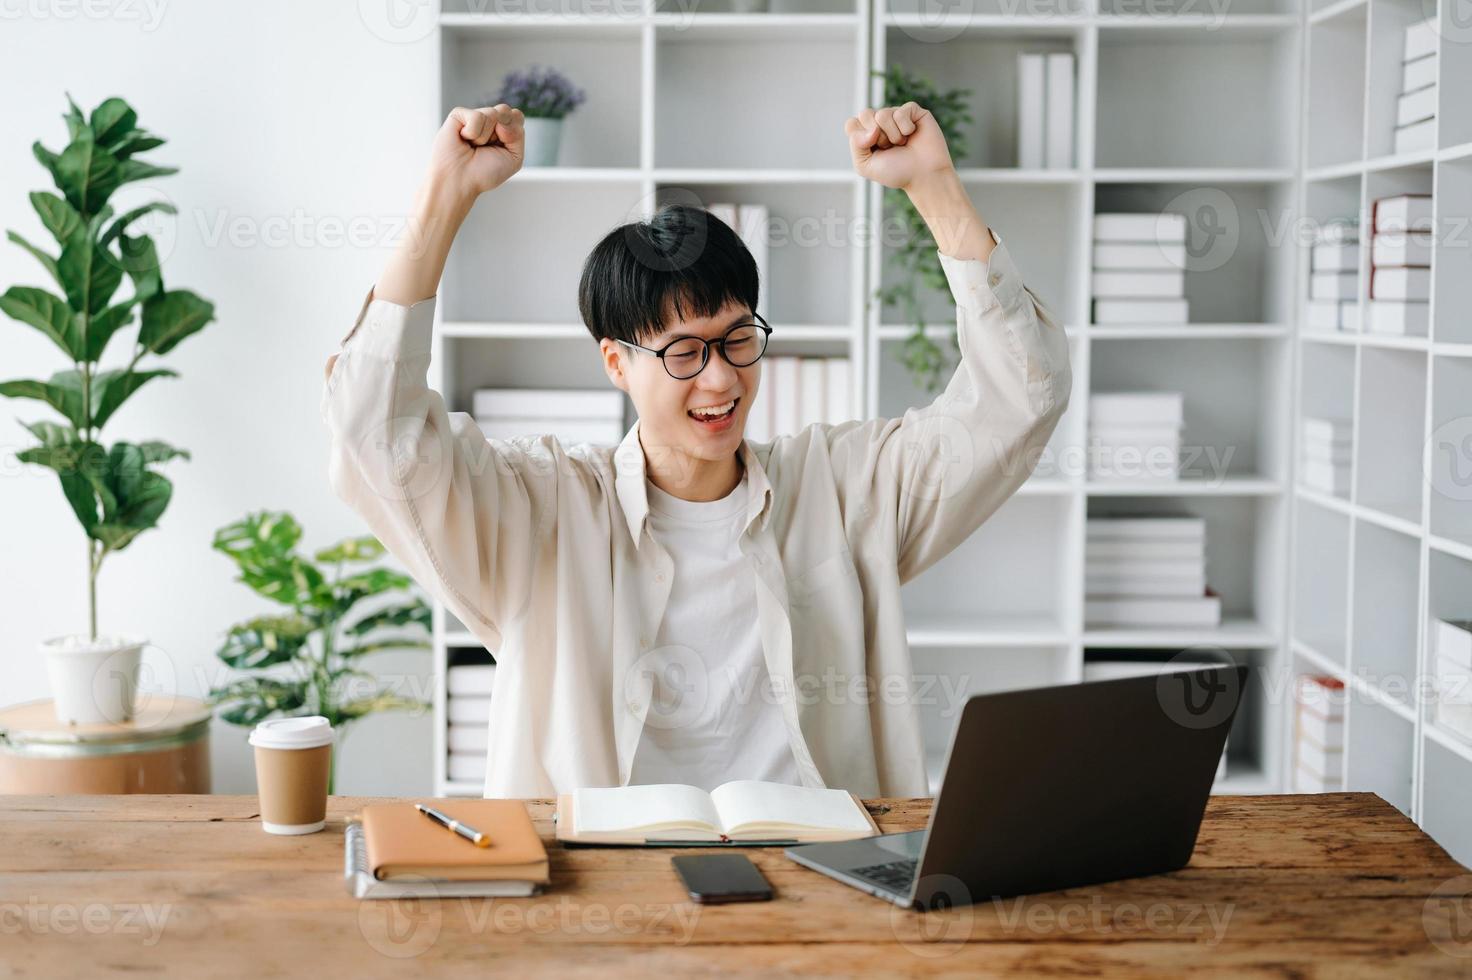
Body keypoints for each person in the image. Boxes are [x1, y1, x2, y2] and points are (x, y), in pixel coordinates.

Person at [321, 102, 1072, 798]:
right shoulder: (542, 509)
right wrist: (442, 200)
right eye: (684, 351)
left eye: (738, 338)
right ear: (616, 364)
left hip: (816, 880)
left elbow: (1018, 402)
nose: (721, 377)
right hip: (607, 891)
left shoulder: (841, 489)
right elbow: (377, 434)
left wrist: (934, 188)